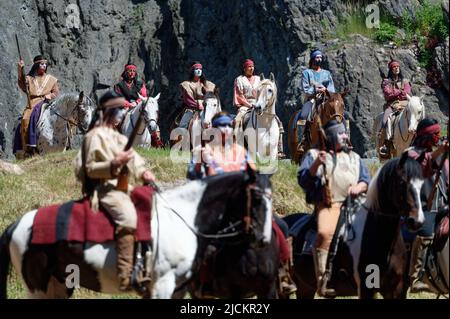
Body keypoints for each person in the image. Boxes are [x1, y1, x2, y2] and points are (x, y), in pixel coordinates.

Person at [187, 111, 297, 297]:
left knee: (281, 227)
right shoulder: (202, 152)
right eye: (222, 125)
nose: (226, 130)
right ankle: (202, 281)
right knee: (203, 238)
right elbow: (192, 178)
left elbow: (254, 175)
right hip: (217, 207)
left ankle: (283, 274)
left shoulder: (241, 151)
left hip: (244, 205)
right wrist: (199, 163)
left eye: (229, 126)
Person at [73, 91, 156, 291]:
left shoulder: (117, 137)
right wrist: (112, 165)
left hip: (123, 187)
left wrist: (144, 172)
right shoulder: (94, 136)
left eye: (122, 109)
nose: (121, 113)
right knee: (128, 217)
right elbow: (87, 168)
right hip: (103, 189)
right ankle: (125, 274)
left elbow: (133, 158)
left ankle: (146, 261)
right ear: (108, 112)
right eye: (118, 109)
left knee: (151, 205)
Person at [297, 120, 370, 297]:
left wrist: (359, 187)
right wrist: (316, 165)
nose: (345, 136)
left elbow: (365, 179)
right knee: (324, 232)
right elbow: (303, 180)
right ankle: (324, 279)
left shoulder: (354, 157)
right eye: (341, 133)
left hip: (357, 205)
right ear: (330, 136)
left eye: (345, 133)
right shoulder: (314, 155)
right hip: (330, 205)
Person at [404, 118, 449, 293]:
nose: (438, 137)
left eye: (439, 134)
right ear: (426, 136)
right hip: (419, 207)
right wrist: (440, 152)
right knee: (425, 229)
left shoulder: (441, 157)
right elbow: (424, 164)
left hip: (442, 206)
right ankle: (416, 277)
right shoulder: (411, 154)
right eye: (435, 134)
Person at [233, 59, 286, 158]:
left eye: (252, 66)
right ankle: (237, 147)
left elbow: (264, 92)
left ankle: (279, 149)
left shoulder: (259, 79)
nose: (251, 68)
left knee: (278, 122)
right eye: (249, 66)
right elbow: (239, 96)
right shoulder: (239, 79)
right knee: (237, 120)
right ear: (244, 68)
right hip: (245, 106)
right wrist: (249, 105)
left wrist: (260, 103)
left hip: (260, 103)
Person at [17, 55, 59, 157]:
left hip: (46, 101)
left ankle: (65, 142)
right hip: (33, 102)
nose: (44, 66)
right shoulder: (29, 78)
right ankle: (28, 146)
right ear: (36, 65)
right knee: (25, 119)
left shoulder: (52, 79)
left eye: (45, 64)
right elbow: (22, 84)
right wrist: (20, 69)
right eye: (41, 64)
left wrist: (50, 95)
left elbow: (55, 92)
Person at [114, 64, 164, 148]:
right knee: (116, 121)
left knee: (150, 119)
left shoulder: (140, 84)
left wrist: (136, 103)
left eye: (133, 71)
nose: (132, 73)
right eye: (130, 71)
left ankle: (157, 140)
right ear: (126, 72)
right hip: (124, 106)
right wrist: (128, 104)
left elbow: (143, 95)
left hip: (138, 104)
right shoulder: (119, 85)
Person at [297, 49, 336, 150]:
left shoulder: (327, 73)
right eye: (317, 57)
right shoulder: (307, 73)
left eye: (320, 57)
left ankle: (344, 138)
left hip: (325, 99)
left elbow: (332, 88)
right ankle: (303, 140)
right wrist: (316, 90)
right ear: (312, 59)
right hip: (312, 99)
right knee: (304, 115)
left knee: (338, 114)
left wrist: (325, 89)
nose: (319, 59)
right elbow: (305, 89)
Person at [379, 60, 412, 158]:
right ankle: (387, 143)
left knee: (415, 114)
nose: (396, 68)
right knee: (387, 118)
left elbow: (408, 93)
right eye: (394, 67)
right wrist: (400, 92)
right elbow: (388, 94)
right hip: (392, 105)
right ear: (391, 69)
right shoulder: (386, 82)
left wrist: (398, 92)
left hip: (405, 103)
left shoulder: (405, 81)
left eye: (398, 66)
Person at [179, 61, 216, 129]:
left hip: (206, 108)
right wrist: (198, 105)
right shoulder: (187, 84)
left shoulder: (208, 84)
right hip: (192, 109)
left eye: (200, 69)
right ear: (192, 71)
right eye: (196, 69)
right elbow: (188, 99)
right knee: (182, 125)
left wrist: (206, 104)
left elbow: (212, 97)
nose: (199, 71)